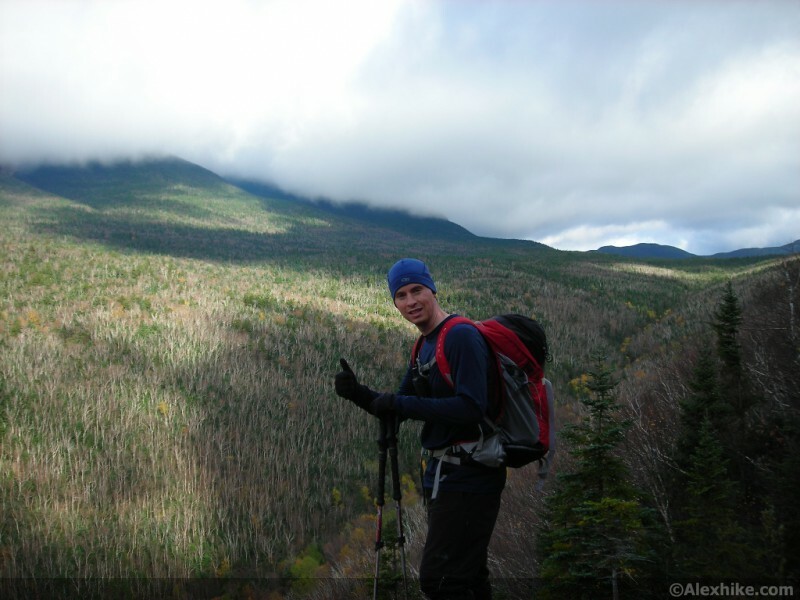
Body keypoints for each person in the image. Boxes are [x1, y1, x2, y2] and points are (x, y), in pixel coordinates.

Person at [335, 258, 506, 600]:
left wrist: (401, 405)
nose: (410, 301)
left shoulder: (459, 336)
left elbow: (472, 407)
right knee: (468, 575)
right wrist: (357, 393)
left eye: (417, 290)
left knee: (439, 580)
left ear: (433, 290)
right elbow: (396, 407)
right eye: (401, 295)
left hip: (470, 475)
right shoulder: (423, 345)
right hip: (447, 474)